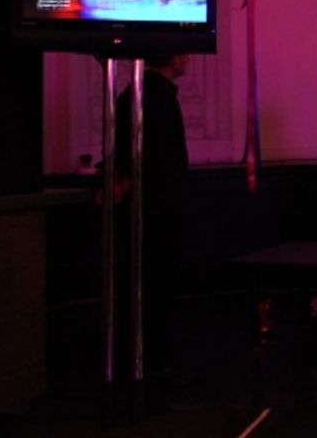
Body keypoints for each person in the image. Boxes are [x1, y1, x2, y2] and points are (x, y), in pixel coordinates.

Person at [112, 53, 190, 397]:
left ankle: (136, 362)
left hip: (140, 211)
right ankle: (154, 365)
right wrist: (129, 181)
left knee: (137, 287)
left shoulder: (131, 94)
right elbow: (150, 156)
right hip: (158, 212)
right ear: (175, 58)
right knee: (156, 289)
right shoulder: (159, 99)